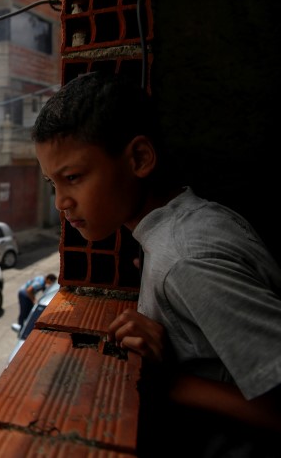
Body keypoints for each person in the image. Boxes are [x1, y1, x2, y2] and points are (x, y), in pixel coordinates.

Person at [31, 71, 281, 455]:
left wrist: (166, 379)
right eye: (53, 184)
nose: (60, 202)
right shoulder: (184, 221)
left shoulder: (184, 260)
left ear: (140, 159)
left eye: (74, 177)